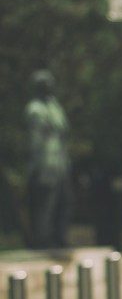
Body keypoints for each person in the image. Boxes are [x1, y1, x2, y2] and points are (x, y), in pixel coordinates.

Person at [25, 69, 72, 249]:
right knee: (45, 204)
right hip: (46, 163)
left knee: (65, 201)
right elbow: (35, 140)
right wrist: (35, 166)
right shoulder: (35, 109)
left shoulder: (54, 106)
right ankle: (43, 240)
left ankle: (60, 237)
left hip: (61, 162)